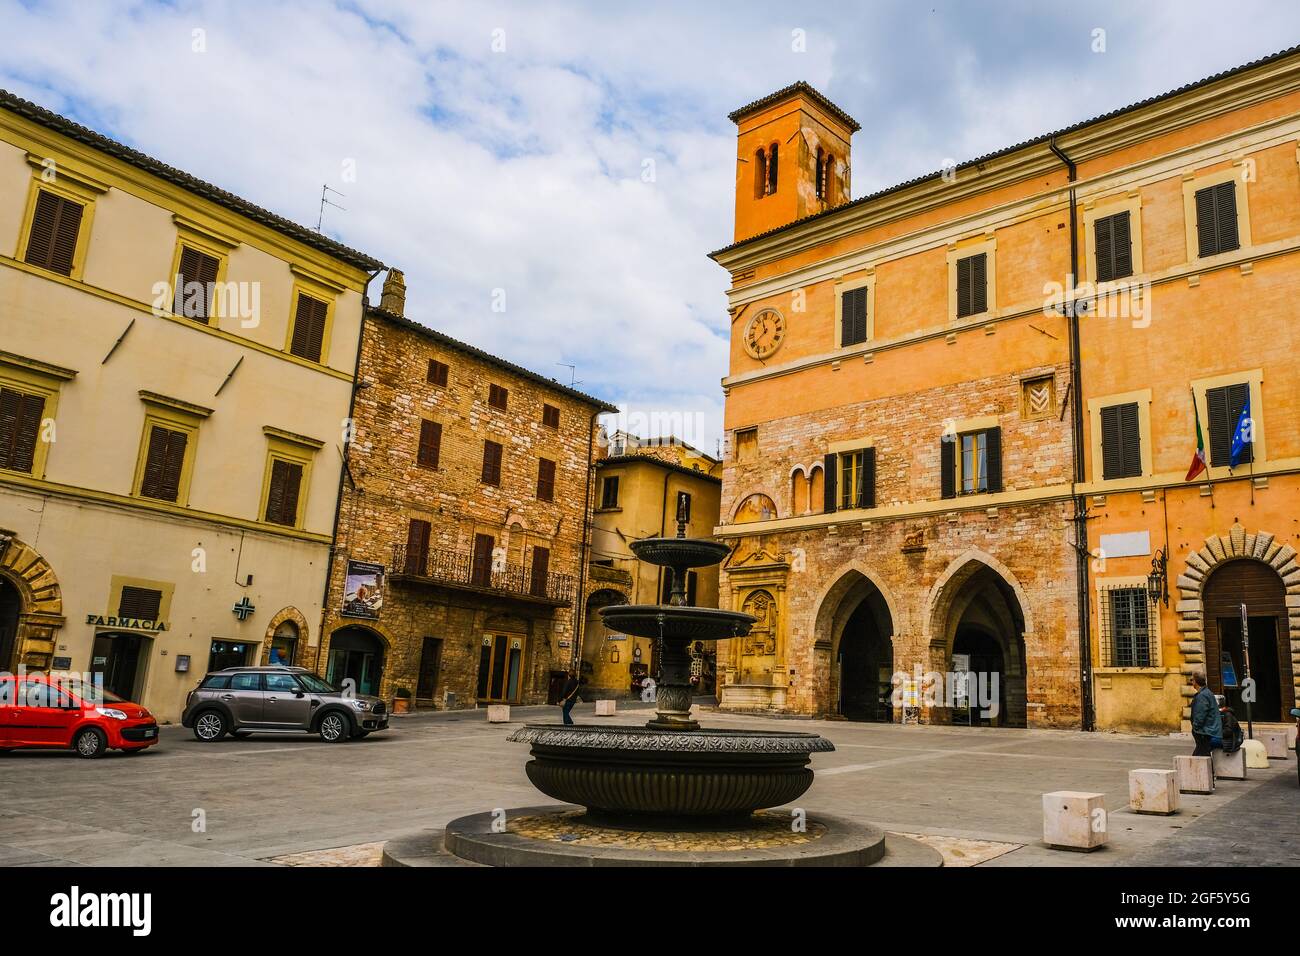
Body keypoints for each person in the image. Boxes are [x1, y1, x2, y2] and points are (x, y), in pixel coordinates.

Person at [1188, 671, 1222, 757]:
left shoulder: (1202, 696)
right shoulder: (1207, 692)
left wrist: (1195, 727)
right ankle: (1210, 770)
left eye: (1192, 680)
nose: (1191, 682)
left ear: (1195, 682)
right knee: (1204, 757)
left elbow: (1200, 715)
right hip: (1209, 731)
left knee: (1198, 758)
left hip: (1206, 733)